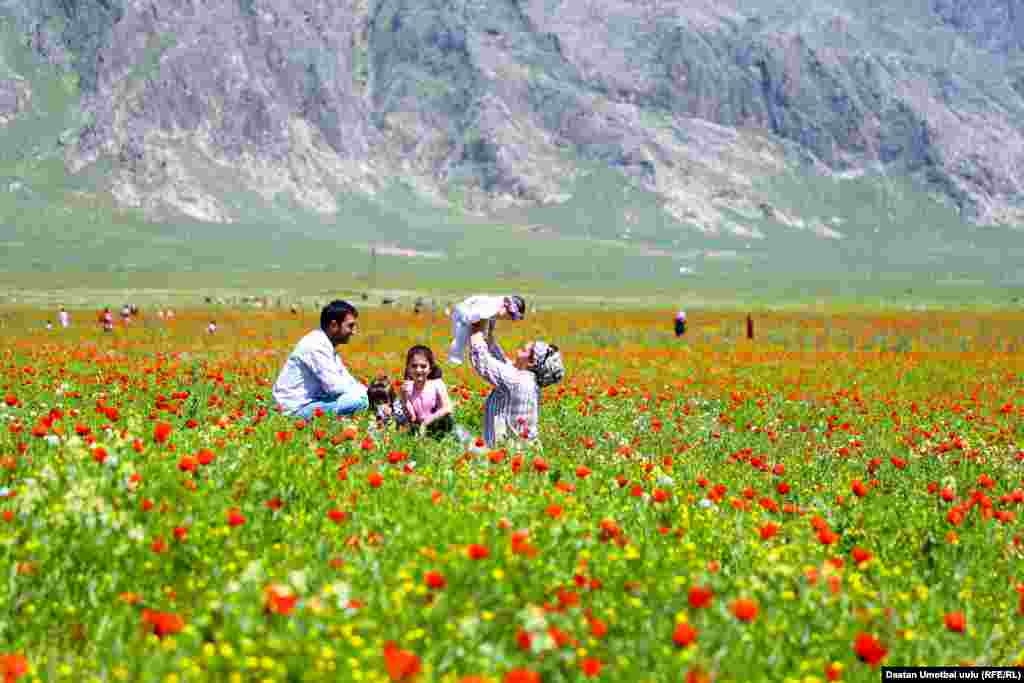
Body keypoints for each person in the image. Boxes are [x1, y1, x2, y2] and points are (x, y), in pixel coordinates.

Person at [468, 319, 564, 447]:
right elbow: (501, 361)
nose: (527, 344)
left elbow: (482, 360)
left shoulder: (517, 381)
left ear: (531, 363)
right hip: (520, 453)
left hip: (508, 456)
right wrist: (488, 328)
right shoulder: (528, 379)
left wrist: (475, 329)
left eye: (529, 348)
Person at [272, 300, 368, 418]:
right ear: (334, 325)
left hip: (312, 402)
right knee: (357, 401)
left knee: (361, 397)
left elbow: (346, 378)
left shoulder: (326, 344)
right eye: (350, 326)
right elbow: (335, 387)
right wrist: (364, 394)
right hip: (295, 409)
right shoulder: (316, 346)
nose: (353, 332)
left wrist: (366, 392)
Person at [448, 294, 525, 365]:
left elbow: (490, 338)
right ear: (506, 305)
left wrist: (503, 360)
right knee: (457, 354)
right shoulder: (490, 309)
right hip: (463, 319)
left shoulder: (494, 310)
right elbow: (472, 321)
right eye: (511, 315)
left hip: (466, 317)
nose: (508, 319)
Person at [400, 345, 454, 438]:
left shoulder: (437, 384)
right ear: (408, 369)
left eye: (423, 366)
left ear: (430, 369)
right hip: (419, 427)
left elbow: (447, 408)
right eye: (414, 366)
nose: (418, 370)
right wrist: (404, 399)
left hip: (439, 425)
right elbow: (412, 417)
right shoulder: (407, 388)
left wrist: (426, 422)